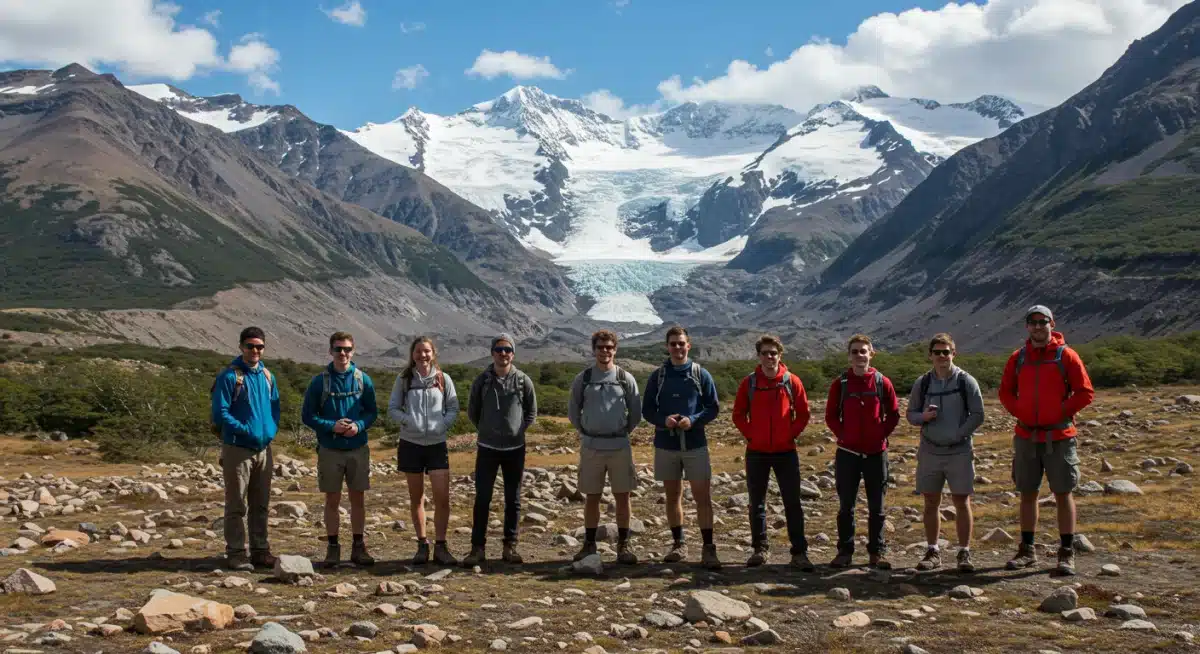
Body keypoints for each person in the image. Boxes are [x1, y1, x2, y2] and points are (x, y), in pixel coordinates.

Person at [999, 305, 1095, 576]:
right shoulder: (1017, 358)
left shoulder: (1067, 356)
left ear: (1052, 324)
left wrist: (1060, 412)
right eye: (1033, 322)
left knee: (1063, 494)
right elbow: (1005, 391)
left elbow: (1085, 392)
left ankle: (1066, 552)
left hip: (1060, 436)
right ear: (1027, 327)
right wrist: (1020, 411)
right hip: (1026, 435)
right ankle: (1027, 550)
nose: (1038, 327)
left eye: (1043, 322)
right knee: (1027, 493)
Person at [642, 325, 722, 570]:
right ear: (667, 347)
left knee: (702, 497)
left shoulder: (700, 374)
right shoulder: (658, 376)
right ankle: (679, 544)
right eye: (673, 344)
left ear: (689, 346)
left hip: (695, 443)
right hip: (666, 444)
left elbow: (713, 407)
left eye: (681, 343)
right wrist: (662, 421)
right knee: (672, 496)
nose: (677, 347)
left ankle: (709, 548)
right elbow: (647, 410)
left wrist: (694, 420)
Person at [731, 334, 814, 570]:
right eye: (765, 353)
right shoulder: (749, 383)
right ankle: (760, 549)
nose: (770, 357)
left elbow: (804, 413)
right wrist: (751, 435)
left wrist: (790, 434)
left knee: (792, 502)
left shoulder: (791, 381)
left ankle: (799, 552)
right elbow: (738, 414)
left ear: (780, 355)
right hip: (756, 451)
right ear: (759, 356)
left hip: (785, 451)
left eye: (773, 353)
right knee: (756, 502)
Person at [906, 333, 985, 573]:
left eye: (946, 351)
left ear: (954, 353)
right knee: (931, 501)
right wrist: (924, 418)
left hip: (959, 451)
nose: (942, 356)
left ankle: (964, 552)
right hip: (930, 451)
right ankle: (933, 550)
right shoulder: (923, 383)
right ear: (930, 355)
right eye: (937, 352)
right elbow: (911, 414)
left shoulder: (966, 381)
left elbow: (978, 414)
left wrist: (960, 434)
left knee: (962, 501)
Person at [301, 331, 379, 568]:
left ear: (353, 351)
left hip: (357, 448)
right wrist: (331, 426)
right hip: (330, 449)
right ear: (330, 351)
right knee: (331, 500)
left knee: (358, 499)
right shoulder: (319, 382)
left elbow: (372, 412)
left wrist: (359, 425)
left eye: (346, 349)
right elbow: (308, 416)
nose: (342, 353)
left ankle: (359, 546)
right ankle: (333, 548)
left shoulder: (363, 380)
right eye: (338, 349)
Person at [824, 334, 900, 570]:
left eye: (863, 351)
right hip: (847, 453)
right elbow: (830, 416)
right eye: (855, 351)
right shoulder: (841, 383)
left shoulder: (881, 382)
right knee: (846, 505)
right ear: (849, 356)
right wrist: (843, 435)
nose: (859, 355)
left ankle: (877, 552)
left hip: (876, 453)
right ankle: (845, 552)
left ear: (871, 354)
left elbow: (894, 414)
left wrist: (881, 434)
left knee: (877, 506)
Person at [568, 329, 642, 564]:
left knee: (623, 496)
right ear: (594, 350)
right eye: (600, 347)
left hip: (619, 445)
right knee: (592, 496)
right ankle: (589, 544)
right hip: (591, 446)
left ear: (615, 349)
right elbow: (573, 411)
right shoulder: (584, 378)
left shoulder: (624, 378)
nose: (605, 351)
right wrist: (587, 431)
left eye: (609, 347)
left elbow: (636, 412)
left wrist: (621, 431)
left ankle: (624, 545)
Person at [211, 326, 281, 571]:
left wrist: (270, 431)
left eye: (259, 346)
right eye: (250, 346)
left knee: (261, 503)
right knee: (237, 503)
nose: (255, 350)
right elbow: (220, 413)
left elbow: (275, 409)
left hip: (264, 448)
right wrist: (245, 429)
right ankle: (237, 552)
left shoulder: (268, 376)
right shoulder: (230, 377)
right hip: (238, 448)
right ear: (241, 346)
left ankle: (261, 550)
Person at [464, 333, 537, 567]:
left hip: (515, 448)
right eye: (499, 349)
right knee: (482, 498)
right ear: (492, 352)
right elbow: (472, 412)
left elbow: (531, 412)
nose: (503, 353)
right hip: (487, 448)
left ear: (513, 353)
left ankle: (510, 545)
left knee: (513, 499)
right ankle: (477, 548)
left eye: (507, 349)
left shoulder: (523, 380)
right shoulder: (482, 381)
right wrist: (487, 430)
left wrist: (517, 430)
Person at [388, 336, 460, 566]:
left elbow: (453, 407)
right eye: (418, 352)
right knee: (416, 498)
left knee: (442, 498)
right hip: (411, 443)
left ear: (433, 353)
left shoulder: (443, 378)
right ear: (412, 354)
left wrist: (442, 425)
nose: (423, 355)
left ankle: (441, 546)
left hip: (437, 444)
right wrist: (409, 421)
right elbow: (392, 409)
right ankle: (422, 544)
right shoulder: (404, 379)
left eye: (427, 351)